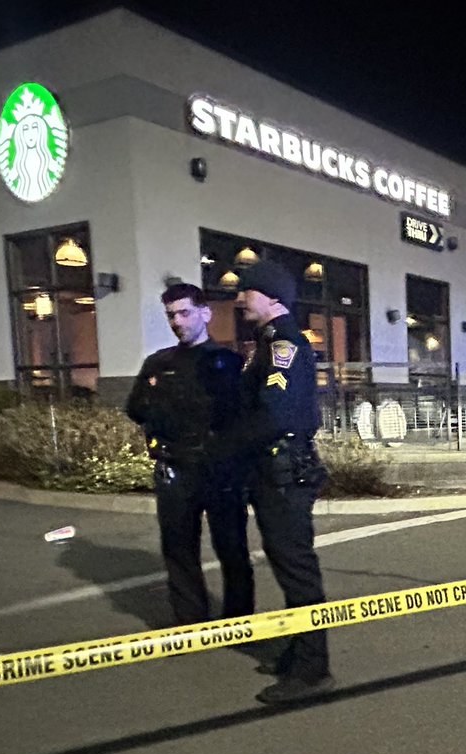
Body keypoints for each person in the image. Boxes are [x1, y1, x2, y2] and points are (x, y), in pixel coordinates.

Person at [231, 260, 333, 704]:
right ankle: (298, 649)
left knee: (297, 570)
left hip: (284, 473)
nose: (239, 299)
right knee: (287, 567)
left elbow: (274, 413)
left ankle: (313, 670)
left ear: (272, 297)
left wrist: (223, 444)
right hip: (274, 471)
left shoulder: (284, 344)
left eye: (246, 291)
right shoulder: (269, 342)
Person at [125, 282, 253, 625]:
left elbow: (245, 416)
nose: (177, 321)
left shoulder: (229, 362)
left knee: (232, 548)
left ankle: (240, 623)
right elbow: (135, 408)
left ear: (205, 313)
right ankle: (190, 622)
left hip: (221, 470)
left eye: (184, 312)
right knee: (179, 549)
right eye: (171, 315)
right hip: (175, 469)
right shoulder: (158, 363)